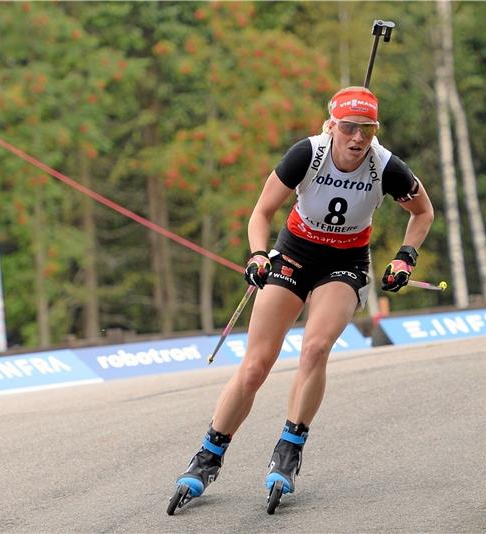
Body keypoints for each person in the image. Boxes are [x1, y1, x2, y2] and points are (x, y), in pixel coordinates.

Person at [173, 86, 434, 505]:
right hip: (295, 252)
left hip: (345, 262)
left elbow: (423, 211)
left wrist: (405, 258)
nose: (357, 139)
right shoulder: (306, 155)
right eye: (348, 128)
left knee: (314, 348)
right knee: (257, 365)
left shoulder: (387, 167)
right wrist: (258, 255)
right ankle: (208, 455)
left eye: (366, 130)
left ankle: (289, 447)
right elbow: (261, 212)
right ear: (332, 126)